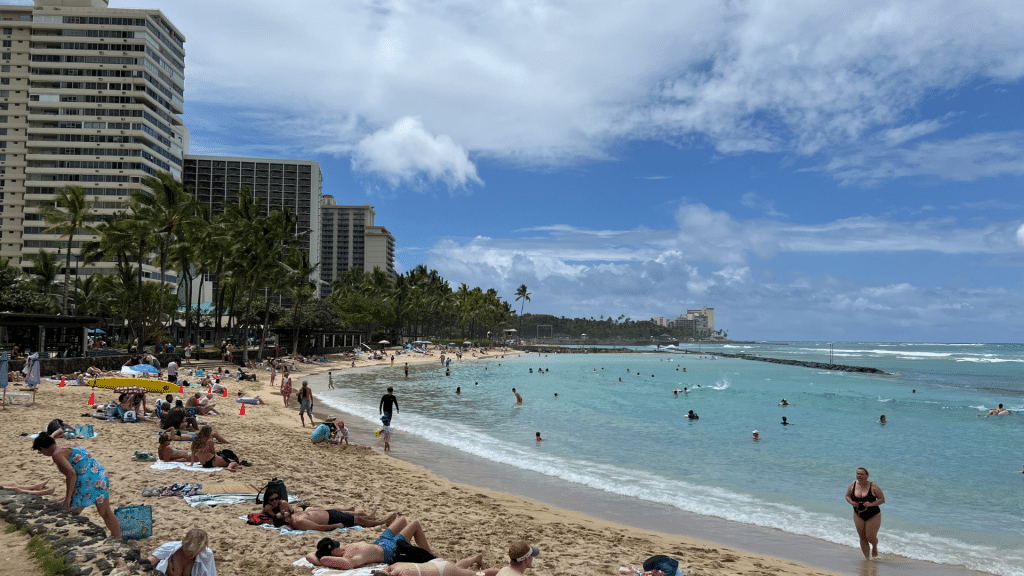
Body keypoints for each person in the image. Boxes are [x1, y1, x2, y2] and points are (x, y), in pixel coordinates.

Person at [31, 434, 120, 538]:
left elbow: (71, 475)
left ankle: (66, 539)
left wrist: (67, 499)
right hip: (100, 476)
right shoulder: (67, 445)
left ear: (42, 448)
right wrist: (70, 494)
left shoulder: (57, 454)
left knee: (70, 512)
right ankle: (118, 538)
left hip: (88, 482)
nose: (41, 453)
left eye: (40, 451)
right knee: (105, 512)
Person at [306, 516, 436, 570]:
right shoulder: (349, 559)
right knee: (415, 524)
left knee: (402, 519)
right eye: (336, 546)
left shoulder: (342, 551)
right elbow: (320, 559)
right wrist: (321, 559)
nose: (339, 545)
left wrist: (320, 554)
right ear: (333, 552)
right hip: (391, 549)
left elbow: (310, 555)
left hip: (381, 541)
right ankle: (430, 553)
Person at [264, 493, 396, 530]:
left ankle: (372, 519)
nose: (283, 512)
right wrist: (335, 526)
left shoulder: (293, 517)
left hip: (330, 514)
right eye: (282, 514)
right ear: (286, 519)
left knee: (352, 516)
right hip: (332, 519)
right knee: (359, 521)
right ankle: (381, 522)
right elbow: (319, 527)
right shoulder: (299, 522)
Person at [845, 467, 886, 560]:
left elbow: (882, 499)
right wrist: (851, 502)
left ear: (867, 476)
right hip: (858, 514)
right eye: (858, 474)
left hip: (873, 514)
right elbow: (847, 496)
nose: (859, 476)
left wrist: (871, 504)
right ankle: (867, 559)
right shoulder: (853, 485)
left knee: (870, 536)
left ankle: (874, 546)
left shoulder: (873, 486)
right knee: (862, 537)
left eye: (862, 474)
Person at [146, 527, 216, 576]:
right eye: (188, 551)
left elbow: (210, 573)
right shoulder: (169, 547)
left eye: (195, 552)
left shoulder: (206, 554)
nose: (191, 555)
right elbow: (152, 559)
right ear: (184, 544)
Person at [371, 555, 499, 576]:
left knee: (479, 575)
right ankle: (475, 558)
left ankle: (505, 571)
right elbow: (384, 571)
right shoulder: (395, 565)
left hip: (444, 571)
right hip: (436, 563)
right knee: (456, 567)